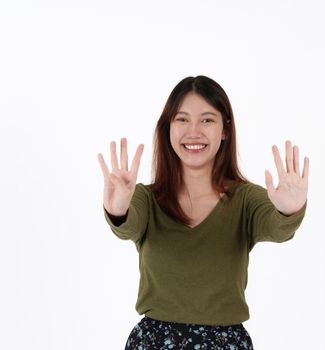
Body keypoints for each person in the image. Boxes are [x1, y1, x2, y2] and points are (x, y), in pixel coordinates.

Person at [97, 75, 309, 350]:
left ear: (225, 130)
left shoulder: (245, 200)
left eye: (207, 120)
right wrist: (117, 208)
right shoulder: (146, 199)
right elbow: (127, 224)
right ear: (168, 128)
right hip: (154, 343)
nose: (193, 131)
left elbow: (277, 226)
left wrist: (289, 209)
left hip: (224, 343)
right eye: (182, 119)